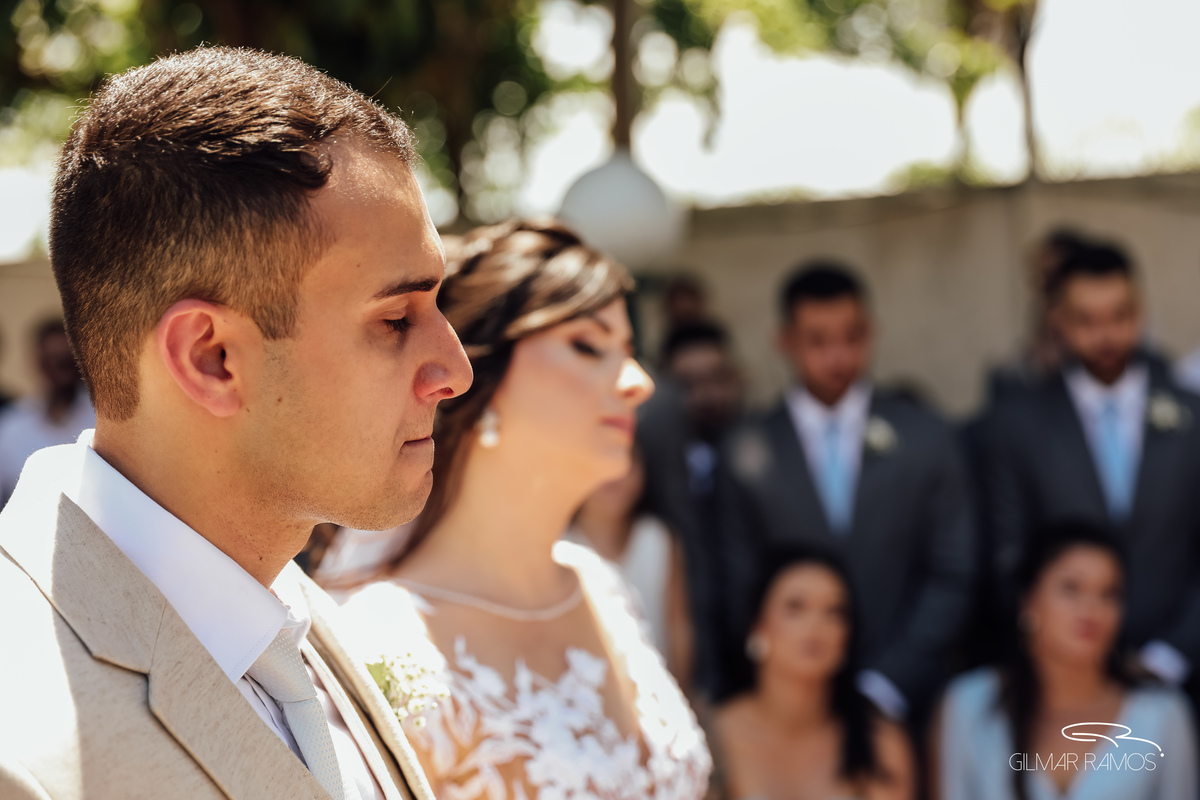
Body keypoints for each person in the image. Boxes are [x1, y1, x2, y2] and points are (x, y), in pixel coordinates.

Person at [0, 46, 473, 800]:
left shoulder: (284, 609)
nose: (455, 369)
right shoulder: (25, 753)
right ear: (212, 357)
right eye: (394, 319)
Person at [338, 219, 712, 800]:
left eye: (630, 351)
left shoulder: (602, 587)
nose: (638, 382)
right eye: (589, 345)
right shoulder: (386, 644)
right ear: (478, 373)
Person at [717, 261, 976, 723]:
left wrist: (887, 682)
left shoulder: (927, 436)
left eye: (851, 337)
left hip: (909, 701)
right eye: (818, 340)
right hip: (786, 708)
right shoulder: (745, 450)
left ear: (870, 332)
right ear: (786, 342)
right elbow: (737, 585)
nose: (837, 355)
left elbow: (953, 570)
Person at [985, 241, 1200, 694]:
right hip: (1059, 679)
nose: (1106, 334)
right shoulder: (1016, 424)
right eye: (1086, 319)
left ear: (1139, 311)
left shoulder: (1192, 415)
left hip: (1186, 672)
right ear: (1058, 321)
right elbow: (1008, 552)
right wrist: (1060, 650)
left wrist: (1171, 655)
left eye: (1120, 316)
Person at [933, 521, 1197, 800]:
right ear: (1029, 601)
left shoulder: (1161, 713)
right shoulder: (968, 705)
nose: (1091, 608)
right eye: (1072, 588)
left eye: (1109, 594)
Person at [714, 546, 915, 800]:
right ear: (757, 626)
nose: (816, 625)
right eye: (795, 608)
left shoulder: (881, 740)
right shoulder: (714, 738)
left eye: (835, 612)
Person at [639, 320, 745, 696]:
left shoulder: (762, 452)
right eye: (687, 385)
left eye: (717, 378)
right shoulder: (646, 469)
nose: (706, 395)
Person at [569, 446, 693, 681]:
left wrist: (681, 689)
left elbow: (678, 630)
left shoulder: (658, 540)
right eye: (601, 463)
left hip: (655, 690)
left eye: (626, 462)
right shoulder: (558, 548)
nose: (615, 475)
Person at [0, 318, 95, 505]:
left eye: (67, 361)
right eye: (54, 361)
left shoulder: (101, 420)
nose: (62, 373)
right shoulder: (12, 426)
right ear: (40, 364)